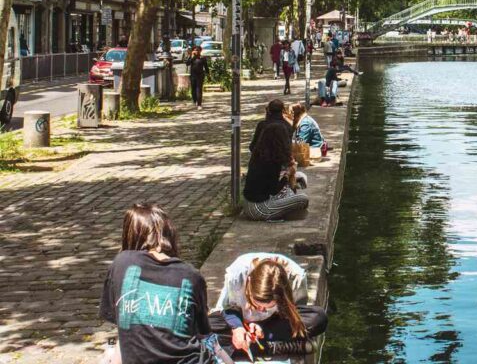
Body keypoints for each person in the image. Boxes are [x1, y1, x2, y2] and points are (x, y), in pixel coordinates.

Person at [99, 203, 225, 364]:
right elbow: (203, 335)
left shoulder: (121, 264)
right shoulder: (191, 276)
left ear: (129, 235)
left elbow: (125, 334)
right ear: (170, 234)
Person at [209, 253, 327, 359]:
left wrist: (263, 329)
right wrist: (238, 327)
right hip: (241, 321)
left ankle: (249, 347)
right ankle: (271, 347)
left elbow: (293, 315)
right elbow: (227, 308)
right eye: (256, 304)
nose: (261, 311)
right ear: (249, 282)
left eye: (268, 307)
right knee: (206, 325)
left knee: (317, 318)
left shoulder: (296, 277)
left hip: (272, 324)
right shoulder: (237, 274)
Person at [243, 100, 309, 221]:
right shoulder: (271, 162)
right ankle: (285, 214)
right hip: (259, 208)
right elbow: (273, 190)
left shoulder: (259, 154)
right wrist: (288, 174)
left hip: (250, 203)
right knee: (303, 199)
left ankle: (287, 212)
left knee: (288, 192)